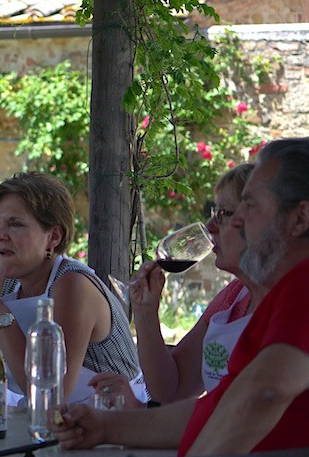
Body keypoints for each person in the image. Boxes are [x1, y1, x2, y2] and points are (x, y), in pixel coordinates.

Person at [1, 137, 309, 457]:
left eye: (249, 208)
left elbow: (265, 391)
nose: (234, 223)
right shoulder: (273, 296)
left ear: (300, 218)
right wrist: (107, 426)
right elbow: (219, 406)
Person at [0, 172, 139, 405]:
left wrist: (0, 316)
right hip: (53, 423)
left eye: (15, 224)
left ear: (53, 237)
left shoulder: (73, 285)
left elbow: (51, 393)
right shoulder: (5, 287)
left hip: (116, 420)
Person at [109, 163, 265, 405]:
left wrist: (137, 417)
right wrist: (145, 312)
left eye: (223, 214)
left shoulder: (293, 302)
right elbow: (173, 389)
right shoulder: (234, 297)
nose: (211, 228)